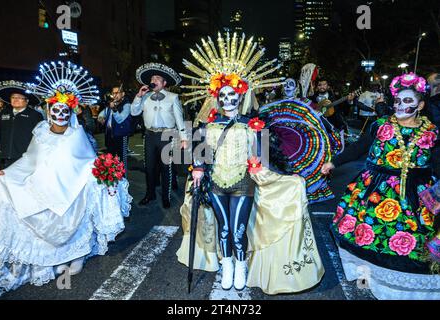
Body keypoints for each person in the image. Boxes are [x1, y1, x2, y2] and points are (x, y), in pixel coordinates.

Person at [176, 32, 324, 294]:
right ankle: (228, 264)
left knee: (237, 229)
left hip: (243, 181)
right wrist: (198, 167)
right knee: (223, 229)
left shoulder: (254, 125)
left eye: (232, 95)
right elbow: (200, 150)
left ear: (241, 95)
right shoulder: (208, 124)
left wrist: (282, 175)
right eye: (223, 95)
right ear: (217, 98)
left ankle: (241, 265)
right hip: (215, 182)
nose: (228, 100)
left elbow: (266, 156)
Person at [0, 61, 131, 292]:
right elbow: (29, 159)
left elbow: (87, 161)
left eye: (65, 111)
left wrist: (104, 172)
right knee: (4, 188)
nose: (60, 115)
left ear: (70, 111)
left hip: (71, 192)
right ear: (49, 111)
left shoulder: (77, 135)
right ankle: (55, 257)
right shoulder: (41, 132)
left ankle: (78, 253)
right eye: (56, 110)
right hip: (44, 187)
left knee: (76, 215)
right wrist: (8, 172)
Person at [322, 73, 440, 300]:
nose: (400, 106)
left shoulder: (431, 133)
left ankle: (401, 292)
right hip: (375, 192)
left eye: (407, 101)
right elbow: (358, 148)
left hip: (417, 197)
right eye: (397, 101)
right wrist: (333, 162)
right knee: (367, 241)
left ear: (421, 105)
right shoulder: (380, 125)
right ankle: (366, 281)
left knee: (413, 252)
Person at [131, 63, 188, 209]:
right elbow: (134, 112)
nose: (154, 80)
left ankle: (166, 197)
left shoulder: (173, 97)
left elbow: (179, 118)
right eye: (152, 78)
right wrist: (138, 96)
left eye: (157, 78)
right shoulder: (145, 97)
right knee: (149, 167)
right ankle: (150, 194)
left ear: (164, 83)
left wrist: (184, 138)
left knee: (166, 168)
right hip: (150, 135)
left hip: (167, 135)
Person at [0, 81, 43, 170]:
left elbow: (40, 136)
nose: (15, 99)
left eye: (19, 98)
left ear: (27, 101)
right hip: (5, 156)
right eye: (13, 97)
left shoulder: (35, 115)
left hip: (24, 157)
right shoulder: (3, 113)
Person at [98, 85, 132, 169]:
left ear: (123, 94)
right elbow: (102, 113)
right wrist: (100, 117)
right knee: (110, 159)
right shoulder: (112, 103)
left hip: (121, 135)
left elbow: (120, 119)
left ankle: (123, 179)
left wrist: (114, 109)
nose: (114, 95)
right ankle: (113, 178)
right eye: (113, 93)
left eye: (117, 92)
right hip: (110, 134)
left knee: (121, 159)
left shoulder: (126, 105)